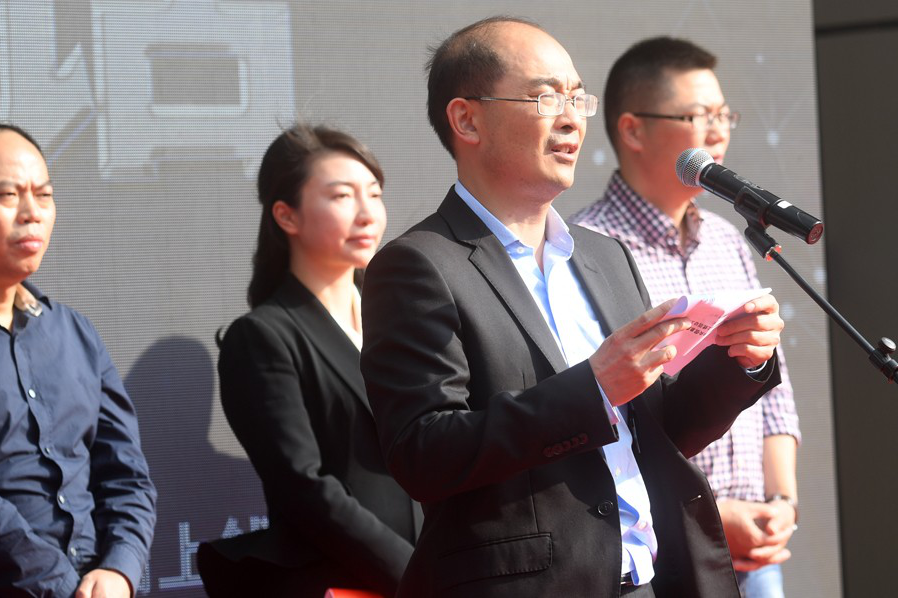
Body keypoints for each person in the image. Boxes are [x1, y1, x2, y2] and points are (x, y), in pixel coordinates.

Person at [359, 17, 785, 598]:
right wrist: (594, 389)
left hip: (649, 581)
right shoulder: (418, 265)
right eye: (545, 98)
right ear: (466, 120)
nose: (570, 119)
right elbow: (423, 454)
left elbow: (661, 430)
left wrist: (740, 362)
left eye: (577, 98)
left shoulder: (604, 256)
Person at [569, 37, 800, 598]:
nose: (718, 132)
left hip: (759, 547)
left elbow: (774, 388)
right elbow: (609, 419)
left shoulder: (728, 239)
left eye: (724, 116)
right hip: (664, 546)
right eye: (699, 116)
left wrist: (782, 502)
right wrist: (714, 510)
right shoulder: (588, 248)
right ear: (633, 130)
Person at [0, 120, 156, 597]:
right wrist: (63, 589)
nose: (33, 213)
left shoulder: (74, 332)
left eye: (44, 194)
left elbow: (127, 476)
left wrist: (120, 570)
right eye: (7, 195)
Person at [198, 125, 419, 597]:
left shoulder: (404, 322)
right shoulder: (262, 338)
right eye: (342, 196)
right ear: (287, 215)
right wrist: (418, 577)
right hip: (345, 583)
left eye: (374, 194)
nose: (367, 213)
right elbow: (305, 489)